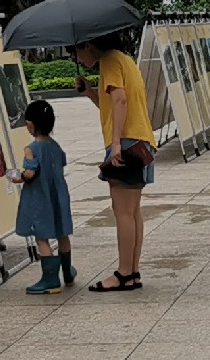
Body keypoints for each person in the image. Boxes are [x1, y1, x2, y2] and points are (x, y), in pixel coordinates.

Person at [74, 33, 156, 291]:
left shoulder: (109, 61)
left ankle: (123, 273)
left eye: (76, 51)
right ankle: (132, 272)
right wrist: (90, 92)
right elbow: (113, 106)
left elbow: (120, 99)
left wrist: (116, 143)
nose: (78, 58)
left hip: (127, 143)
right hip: (140, 141)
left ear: (88, 44)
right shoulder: (124, 60)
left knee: (122, 212)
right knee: (132, 211)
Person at [14, 99, 76, 294]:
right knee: (62, 233)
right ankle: (67, 272)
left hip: (40, 197)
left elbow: (30, 173)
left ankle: (50, 279)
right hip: (59, 196)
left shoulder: (31, 149)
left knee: (42, 237)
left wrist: (20, 177)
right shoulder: (55, 146)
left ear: (31, 125)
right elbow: (60, 163)